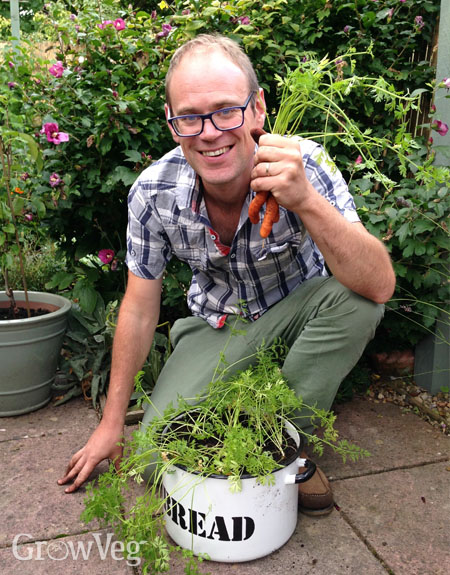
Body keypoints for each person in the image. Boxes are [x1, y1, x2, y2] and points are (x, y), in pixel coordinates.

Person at [58, 34, 395, 515]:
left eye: (225, 111)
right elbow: (137, 308)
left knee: (357, 300)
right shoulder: (154, 191)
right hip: (218, 328)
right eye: (189, 117)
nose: (209, 132)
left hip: (300, 320)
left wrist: (306, 202)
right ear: (173, 123)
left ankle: (287, 452)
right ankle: (232, 421)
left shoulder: (306, 165)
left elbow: (379, 285)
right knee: (156, 462)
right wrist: (111, 425)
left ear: (257, 108)